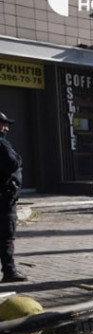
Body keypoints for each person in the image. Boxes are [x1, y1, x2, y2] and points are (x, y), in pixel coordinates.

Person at [0, 111, 27, 283]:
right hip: (3, 200)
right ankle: (9, 272)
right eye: (3, 124)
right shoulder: (2, 144)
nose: (6, 128)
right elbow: (14, 163)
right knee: (6, 237)